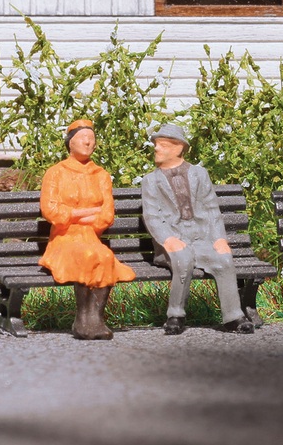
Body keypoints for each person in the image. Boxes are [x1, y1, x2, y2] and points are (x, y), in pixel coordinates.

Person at [140, 124, 254, 335]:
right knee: (183, 259)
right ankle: (175, 315)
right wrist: (168, 240)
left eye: (162, 145)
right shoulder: (150, 181)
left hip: (201, 239)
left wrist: (219, 238)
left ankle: (233, 316)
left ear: (178, 148)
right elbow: (152, 216)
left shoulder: (199, 174)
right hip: (172, 241)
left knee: (224, 260)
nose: (156, 148)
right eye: (156, 144)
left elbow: (211, 209)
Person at [39, 120, 135, 339]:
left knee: (105, 256)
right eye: (83, 138)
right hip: (63, 238)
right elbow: (51, 211)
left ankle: (96, 319)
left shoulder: (101, 175)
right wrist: (85, 213)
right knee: (88, 255)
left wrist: (74, 214)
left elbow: (107, 215)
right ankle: (82, 319)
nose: (88, 142)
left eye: (91, 139)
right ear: (70, 143)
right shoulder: (56, 173)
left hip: (91, 237)